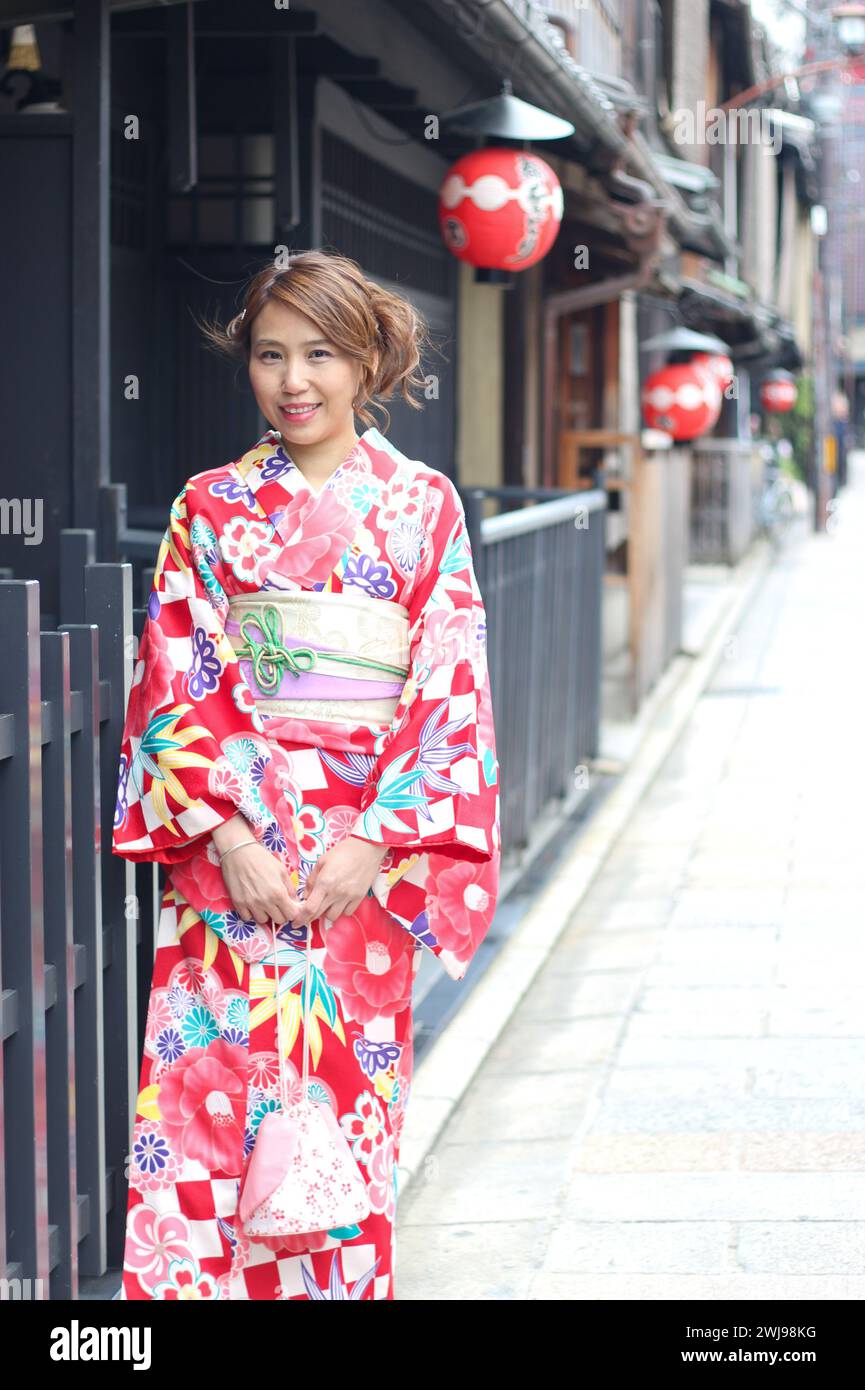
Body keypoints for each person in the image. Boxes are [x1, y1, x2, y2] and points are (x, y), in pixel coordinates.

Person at [111, 249, 501, 1300]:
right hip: (228, 863)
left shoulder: (420, 506)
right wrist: (228, 837)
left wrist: (373, 838)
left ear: (369, 361)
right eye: (271, 354)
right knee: (205, 1112)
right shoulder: (209, 507)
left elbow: (448, 680)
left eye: (321, 354)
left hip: (358, 866)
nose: (294, 380)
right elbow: (174, 681)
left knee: (340, 1122)